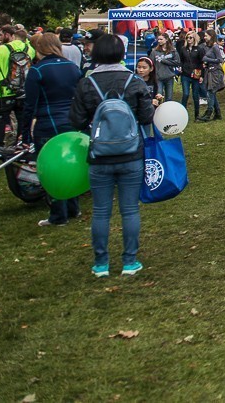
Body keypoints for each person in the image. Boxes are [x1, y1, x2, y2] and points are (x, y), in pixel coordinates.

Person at [68, 35, 154, 278]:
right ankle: (129, 260)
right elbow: (147, 117)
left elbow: (76, 120)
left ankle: (101, 263)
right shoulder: (133, 81)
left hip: (99, 154)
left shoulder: (87, 84)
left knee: (101, 210)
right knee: (129, 209)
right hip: (130, 153)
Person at [23, 33, 84, 227]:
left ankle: (58, 215)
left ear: (39, 48)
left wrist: (24, 132)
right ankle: (74, 207)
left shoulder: (37, 71)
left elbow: (29, 105)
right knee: (71, 164)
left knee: (51, 169)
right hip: (71, 123)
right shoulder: (73, 68)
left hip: (48, 124)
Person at [0, 24, 36, 148]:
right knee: (21, 117)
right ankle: (20, 142)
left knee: (1, 117)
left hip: (4, 90)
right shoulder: (29, 49)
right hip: (22, 90)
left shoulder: (2, 49)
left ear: (12, 36)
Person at [149, 32, 181, 107]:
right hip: (158, 77)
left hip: (169, 76)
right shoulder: (154, 51)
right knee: (158, 96)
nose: (159, 41)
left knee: (169, 98)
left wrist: (165, 61)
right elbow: (150, 63)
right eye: (158, 39)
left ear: (166, 39)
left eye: (161, 39)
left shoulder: (173, 51)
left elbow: (177, 62)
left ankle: (167, 113)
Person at [200, 31, 225, 122]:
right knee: (212, 93)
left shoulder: (215, 47)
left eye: (206, 36)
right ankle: (218, 113)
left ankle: (208, 113)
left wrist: (207, 59)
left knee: (211, 92)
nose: (205, 37)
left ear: (211, 36)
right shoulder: (209, 47)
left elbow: (219, 60)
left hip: (215, 72)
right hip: (210, 71)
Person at [178, 31, 205, 117]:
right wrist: (180, 68)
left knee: (195, 95)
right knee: (185, 94)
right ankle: (182, 114)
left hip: (196, 74)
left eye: (190, 37)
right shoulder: (183, 49)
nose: (188, 39)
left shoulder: (199, 49)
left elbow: (202, 63)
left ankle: (197, 115)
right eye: (187, 38)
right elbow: (181, 60)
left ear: (194, 38)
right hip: (185, 74)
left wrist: (202, 75)